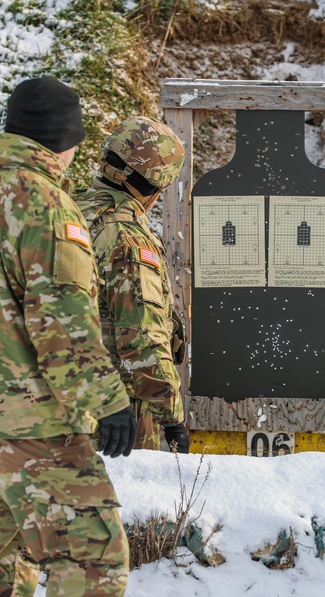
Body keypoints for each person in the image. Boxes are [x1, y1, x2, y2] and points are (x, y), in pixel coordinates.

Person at [0, 76, 137, 597]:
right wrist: (108, 401)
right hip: (34, 423)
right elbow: (63, 321)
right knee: (95, 562)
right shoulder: (46, 207)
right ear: (63, 140)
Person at [74, 116, 191, 454]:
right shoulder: (126, 238)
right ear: (157, 187)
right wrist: (173, 418)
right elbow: (142, 337)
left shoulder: (65, 212)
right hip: (114, 416)